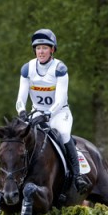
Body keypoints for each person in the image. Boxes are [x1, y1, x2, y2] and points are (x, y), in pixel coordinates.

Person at [15, 28, 91, 194]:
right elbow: (21, 99)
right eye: (38, 48)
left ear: (52, 50)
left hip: (58, 113)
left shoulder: (59, 69)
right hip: (36, 113)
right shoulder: (27, 69)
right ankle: (13, 177)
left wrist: (47, 114)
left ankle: (77, 176)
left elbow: (61, 99)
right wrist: (22, 112)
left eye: (44, 48)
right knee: (19, 138)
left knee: (63, 135)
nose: (40, 51)